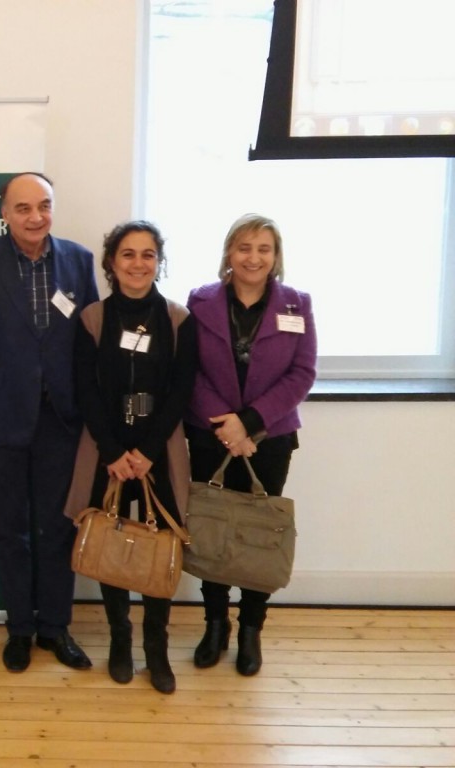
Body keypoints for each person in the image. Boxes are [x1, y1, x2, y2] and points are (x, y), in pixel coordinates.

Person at [0, 172, 100, 673]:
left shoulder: (78, 261)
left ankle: (55, 627)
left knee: (59, 527)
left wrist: (97, 415)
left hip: (62, 419)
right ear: (5, 214)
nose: (36, 217)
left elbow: (91, 342)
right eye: (24, 208)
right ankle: (19, 629)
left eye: (44, 205)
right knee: (10, 530)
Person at [65, 221, 196, 693]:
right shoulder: (92, 319)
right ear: (111, 263)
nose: (138, 263)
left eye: (147, 254)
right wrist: (116, 452)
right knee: (110, 541)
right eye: (128, 254)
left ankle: (156, 649)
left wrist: (147, 451)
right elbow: (85, 390)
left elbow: (181, 391)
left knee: (162, 545)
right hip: (108, 453)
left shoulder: (179, 320)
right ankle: (120, 641)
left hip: (160, 453)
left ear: (159, 262)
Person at [185, 213, 316, 676]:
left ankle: (250, 629)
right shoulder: (200, 302)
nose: (253, 257)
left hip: (270, 438)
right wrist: (227, 426)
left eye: (263, 248)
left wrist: (250, 423)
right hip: (210, 433)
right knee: (212, 528)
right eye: (244, 247)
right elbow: (189, 371)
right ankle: (214, 624)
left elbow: (302, 374)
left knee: (261, 534)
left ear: (276, 256)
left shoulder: (297, 305)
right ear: (229, 253)